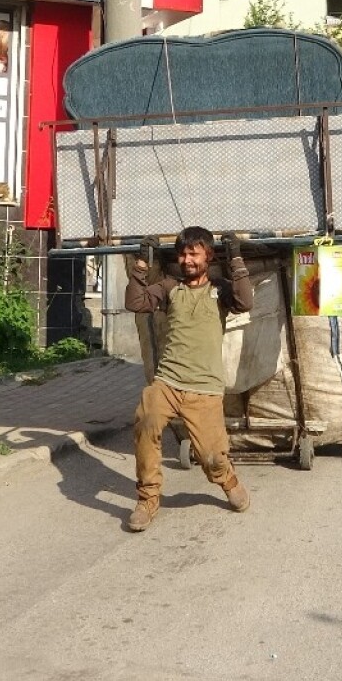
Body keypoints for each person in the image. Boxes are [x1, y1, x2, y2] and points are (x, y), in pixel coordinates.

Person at [123, 226, 253, 532]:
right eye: (182, 254)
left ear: (208, 256)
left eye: (193, 253)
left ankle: (228, 480)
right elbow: (135, 303)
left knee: (211, 457)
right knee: (146, 418)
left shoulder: (220, 290)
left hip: (204, 388)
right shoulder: (170, 288)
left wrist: (235, 257)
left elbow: (245, 301)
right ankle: (147, 499)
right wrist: (142, 263)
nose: (187, 259)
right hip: (167, 381)